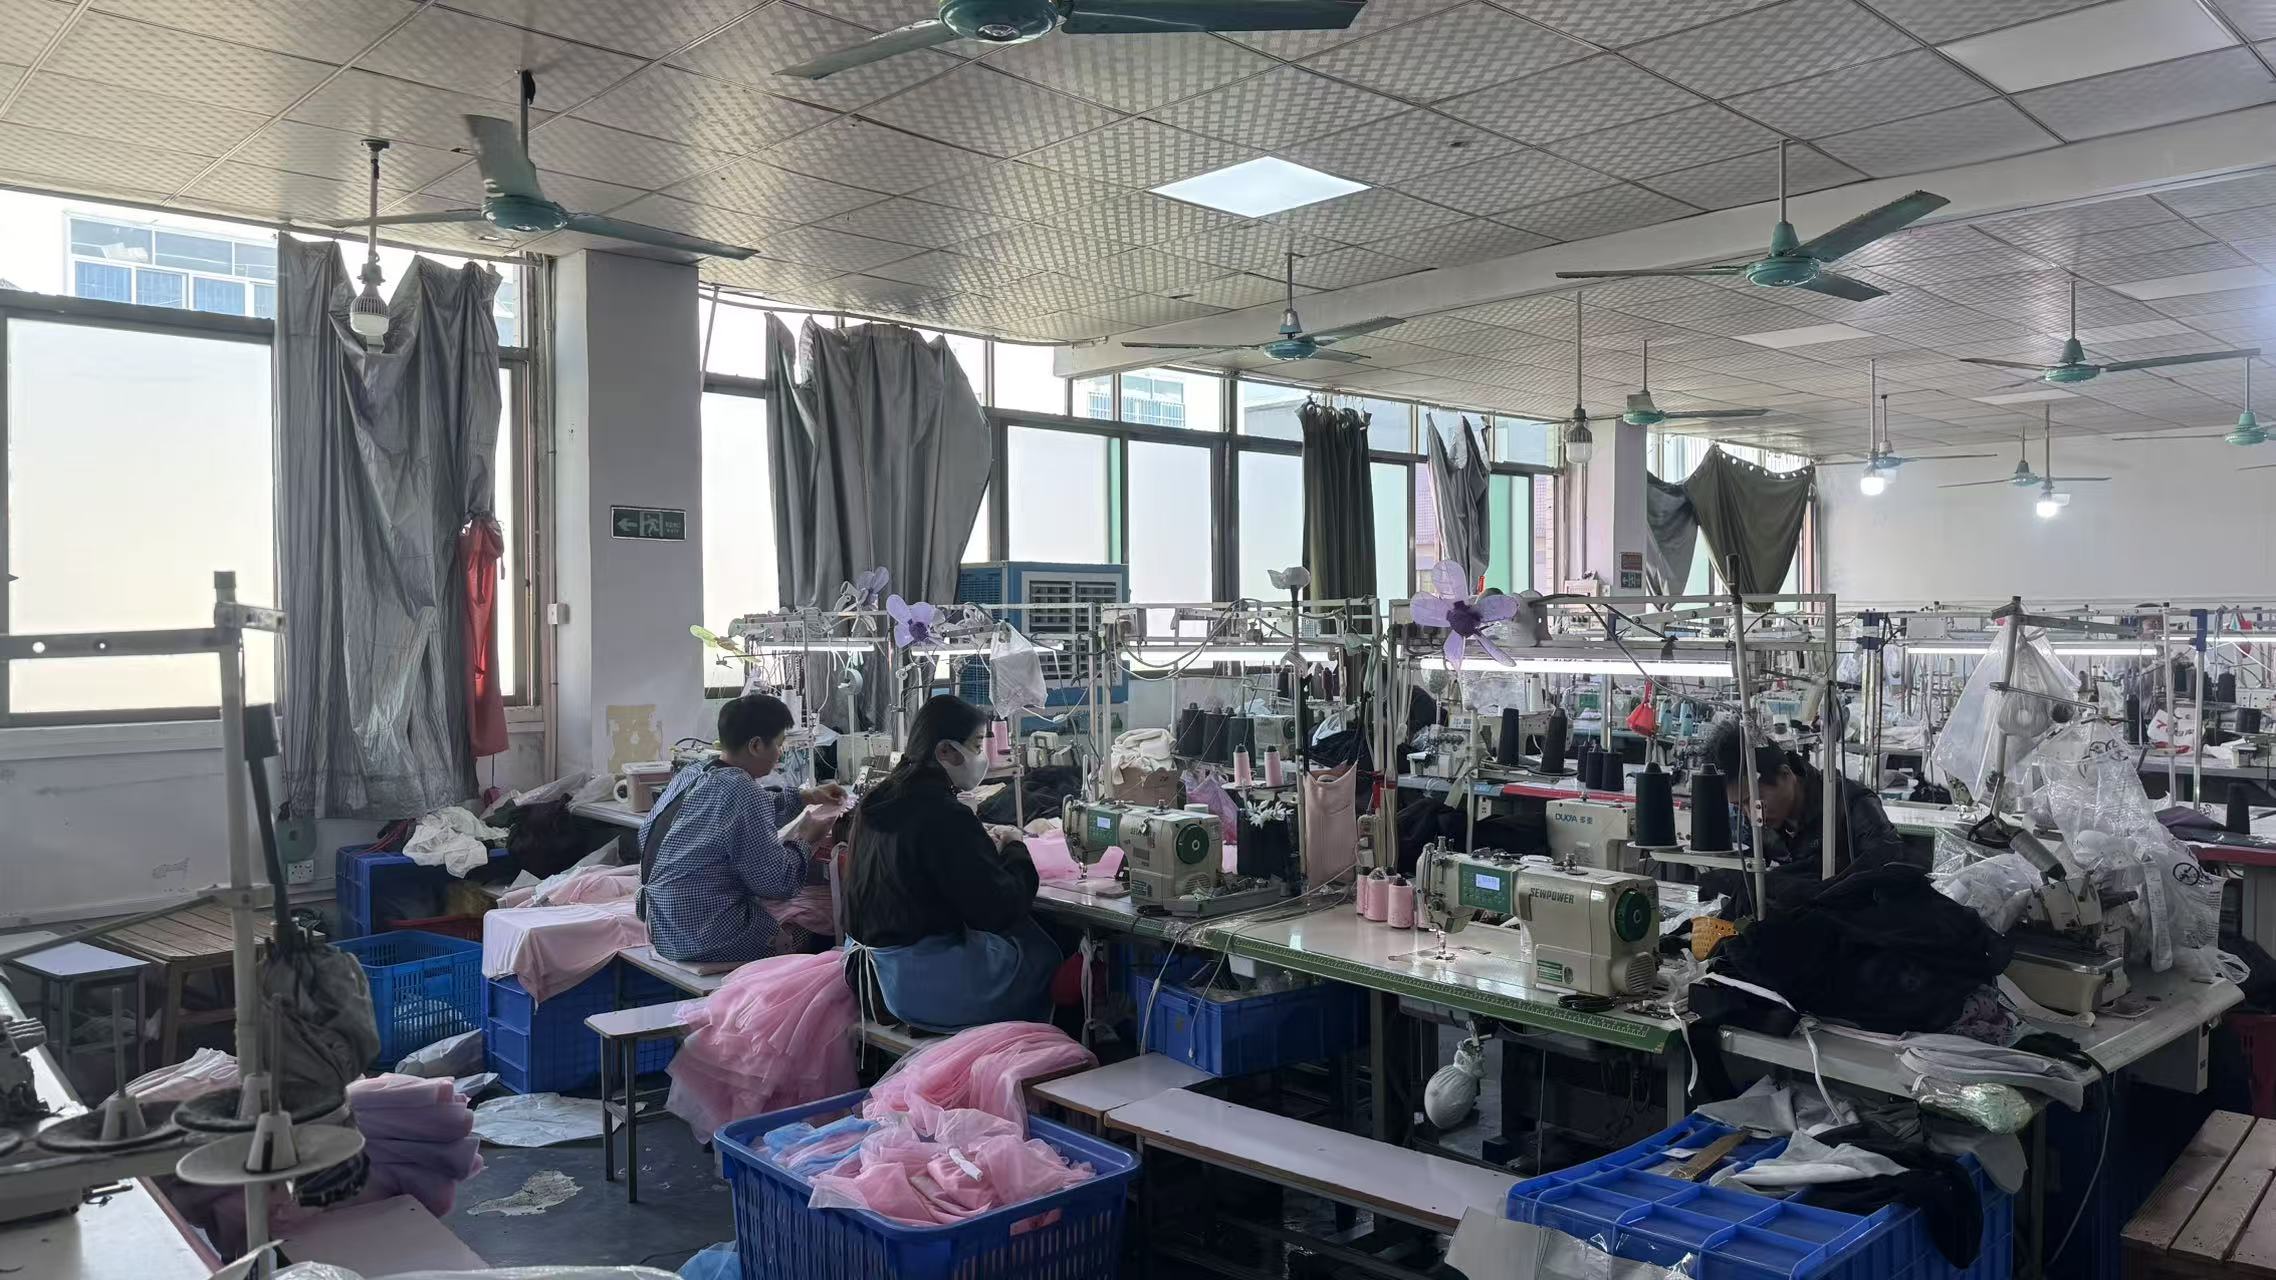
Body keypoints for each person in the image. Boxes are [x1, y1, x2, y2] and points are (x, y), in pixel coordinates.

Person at [843, 694, 1060, 1032]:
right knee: (1044, 952)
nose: (981, 756)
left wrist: (975, 846)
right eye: (976, 745)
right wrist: (1015, 847)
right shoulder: (944, 814)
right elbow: (997, 910)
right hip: (917, 985)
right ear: (944, 750)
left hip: (865, 975)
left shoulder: (877, 800)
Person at [638, 694, 846, 965]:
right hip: (703, 936)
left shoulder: (693, 774)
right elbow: (779, 884)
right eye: (779, 745)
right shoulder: (743, 791)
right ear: (756, 745)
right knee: (817, 923)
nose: (781, 753)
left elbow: (743, 813)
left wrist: (806, 797)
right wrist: (805, 839)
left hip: (661, 923)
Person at [1697, 718, 1922, 915]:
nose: (1749, 813)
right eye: (1739, 805)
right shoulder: (1756, 820)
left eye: (1752, 800)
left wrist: (1792, 885)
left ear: (1786, 775)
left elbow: (1891, 869)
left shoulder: (1852, 803)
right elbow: (1744, 874)